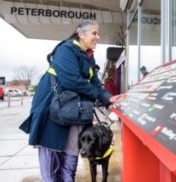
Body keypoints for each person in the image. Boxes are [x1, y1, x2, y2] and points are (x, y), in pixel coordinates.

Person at [19, 21, 122, 182]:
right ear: (81, 34)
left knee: (70, 159)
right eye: (94, 33)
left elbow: (94, 82)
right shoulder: (66, 49)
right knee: (53, 160)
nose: (98, 37)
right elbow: (71, 81)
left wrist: (109, 98)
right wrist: (97, 95)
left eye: (98, 33)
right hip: (52, 110)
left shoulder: (87, 55)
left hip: (73, 112)